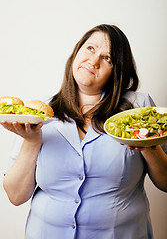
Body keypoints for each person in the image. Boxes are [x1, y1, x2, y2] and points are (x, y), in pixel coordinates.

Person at [1, 24, 167, 239]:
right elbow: (15, 195)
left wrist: (146, 143)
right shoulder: (38, 113)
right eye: (90, 49)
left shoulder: (138, 109)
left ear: (118, 71)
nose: (94, 60)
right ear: (76, 52)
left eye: (107, 58)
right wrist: (32, 142)